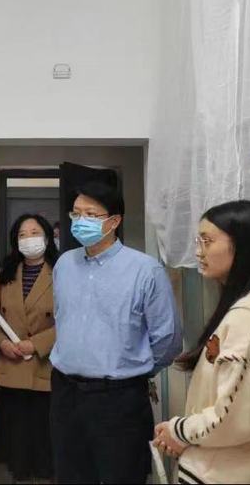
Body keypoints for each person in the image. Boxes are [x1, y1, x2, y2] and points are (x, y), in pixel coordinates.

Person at [49, 181, 182, 484]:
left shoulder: (145, 270)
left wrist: (133, 369)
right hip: (65, 395)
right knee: (69, 476)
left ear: (114, 221)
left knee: (122, 476)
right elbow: (63, 320)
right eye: (76, 214)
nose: (80, 221)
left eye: (91, 214)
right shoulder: (64, 265)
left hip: (119, 399)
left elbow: (168, 340)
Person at [153, 200, 250, 484]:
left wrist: (179, 431)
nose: (198, 252)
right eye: (198, 241)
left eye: (207, 241)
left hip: (222, 474)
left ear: (243, 246)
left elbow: (233, 417)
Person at [0, 213, 59, 482]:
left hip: (46, 372)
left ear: (47, 238)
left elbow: (71, 320)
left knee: (44, 448)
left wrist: (35, 344)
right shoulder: (4, 275)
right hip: (11, 372)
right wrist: (1, 343)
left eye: (34, 233)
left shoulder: (62, 273)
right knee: (13, 450)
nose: (29, 239)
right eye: (22, 235)